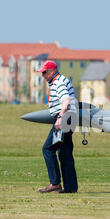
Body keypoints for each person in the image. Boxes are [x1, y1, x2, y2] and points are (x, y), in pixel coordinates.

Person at [37, 60, 78, 193]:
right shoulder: (60, 80)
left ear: (52, 71)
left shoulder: (58, 82)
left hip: (65, 118)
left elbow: (66, 101)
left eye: (44, 72)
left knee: (48, 149)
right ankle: (70, 187)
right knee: (65, 153)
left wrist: (60, 117)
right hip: (71, 118)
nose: (42, 75)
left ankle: (55, 183)